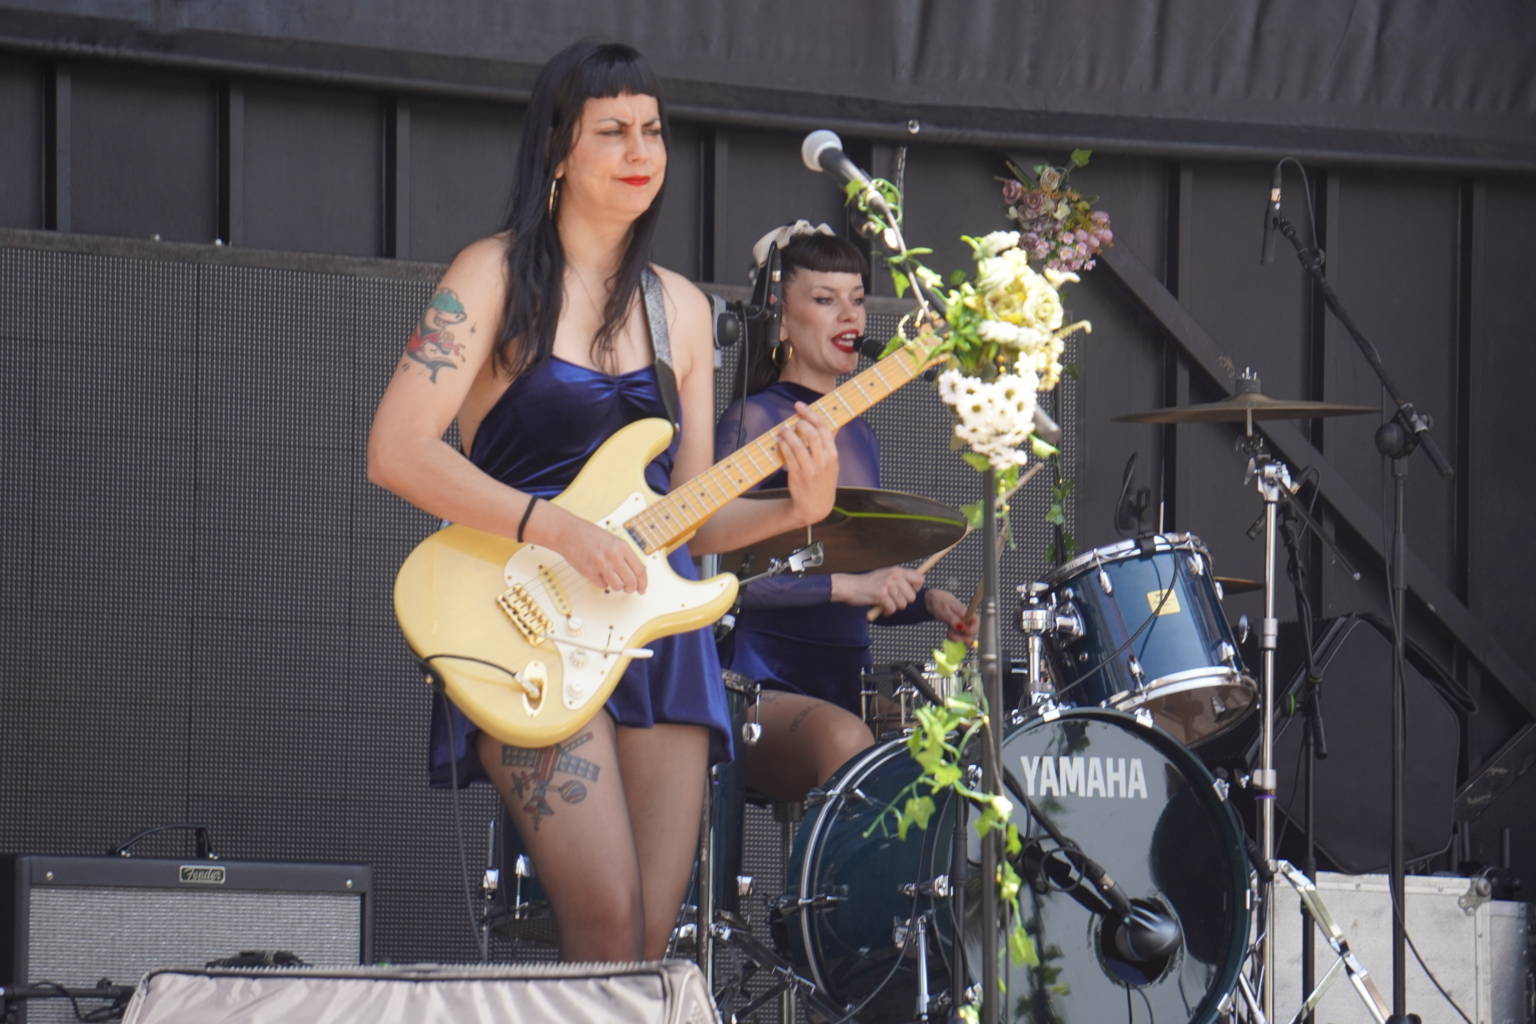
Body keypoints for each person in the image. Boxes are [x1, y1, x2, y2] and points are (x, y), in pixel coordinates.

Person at [366, 43, 839, 964]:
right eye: (613, 130)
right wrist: (553, 526)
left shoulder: (683, 310)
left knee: (644, 949)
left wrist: (798, 507)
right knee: (604, 922)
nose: (641, 151)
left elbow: (695, 521)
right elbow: (396, 449)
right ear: (557, 148)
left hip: (657, 638)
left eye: (652, 131)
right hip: (527, 618)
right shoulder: (490, 276)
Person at [716, 224, 975, 803]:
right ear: (782, 319)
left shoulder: (860, 432)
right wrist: (855, 587)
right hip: (758, 684)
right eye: (824, 299)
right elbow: (723, 581)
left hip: (846, 681)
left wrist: (928, 603)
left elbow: (849, 577)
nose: (849, 315)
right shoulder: (752, 421)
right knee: (849, 741)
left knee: (951, 748)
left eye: (856, 299)